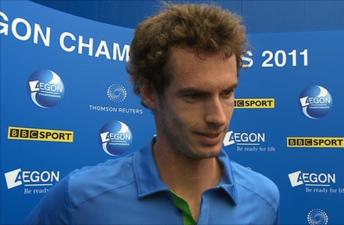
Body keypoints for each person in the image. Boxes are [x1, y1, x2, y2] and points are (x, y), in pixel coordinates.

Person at [26, 3, 279, 225]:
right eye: (193, 96)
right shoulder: (79, 201)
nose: (218, 117)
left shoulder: (264, 199)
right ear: (149, 93)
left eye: (226, 93)